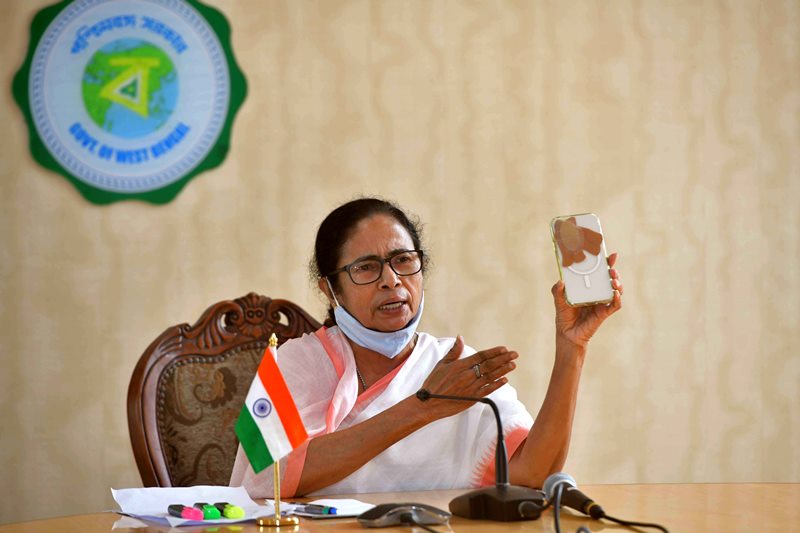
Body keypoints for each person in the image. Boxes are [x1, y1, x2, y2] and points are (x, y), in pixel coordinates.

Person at [230, 197, 623, 498]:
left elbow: (533, 474)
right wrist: (422, 407)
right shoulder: (291, 363)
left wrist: (572, 347)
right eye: (366, 267)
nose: (391, 280)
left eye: (403, 260)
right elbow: (266, 479)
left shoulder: (456, 367)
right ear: (331, 290)